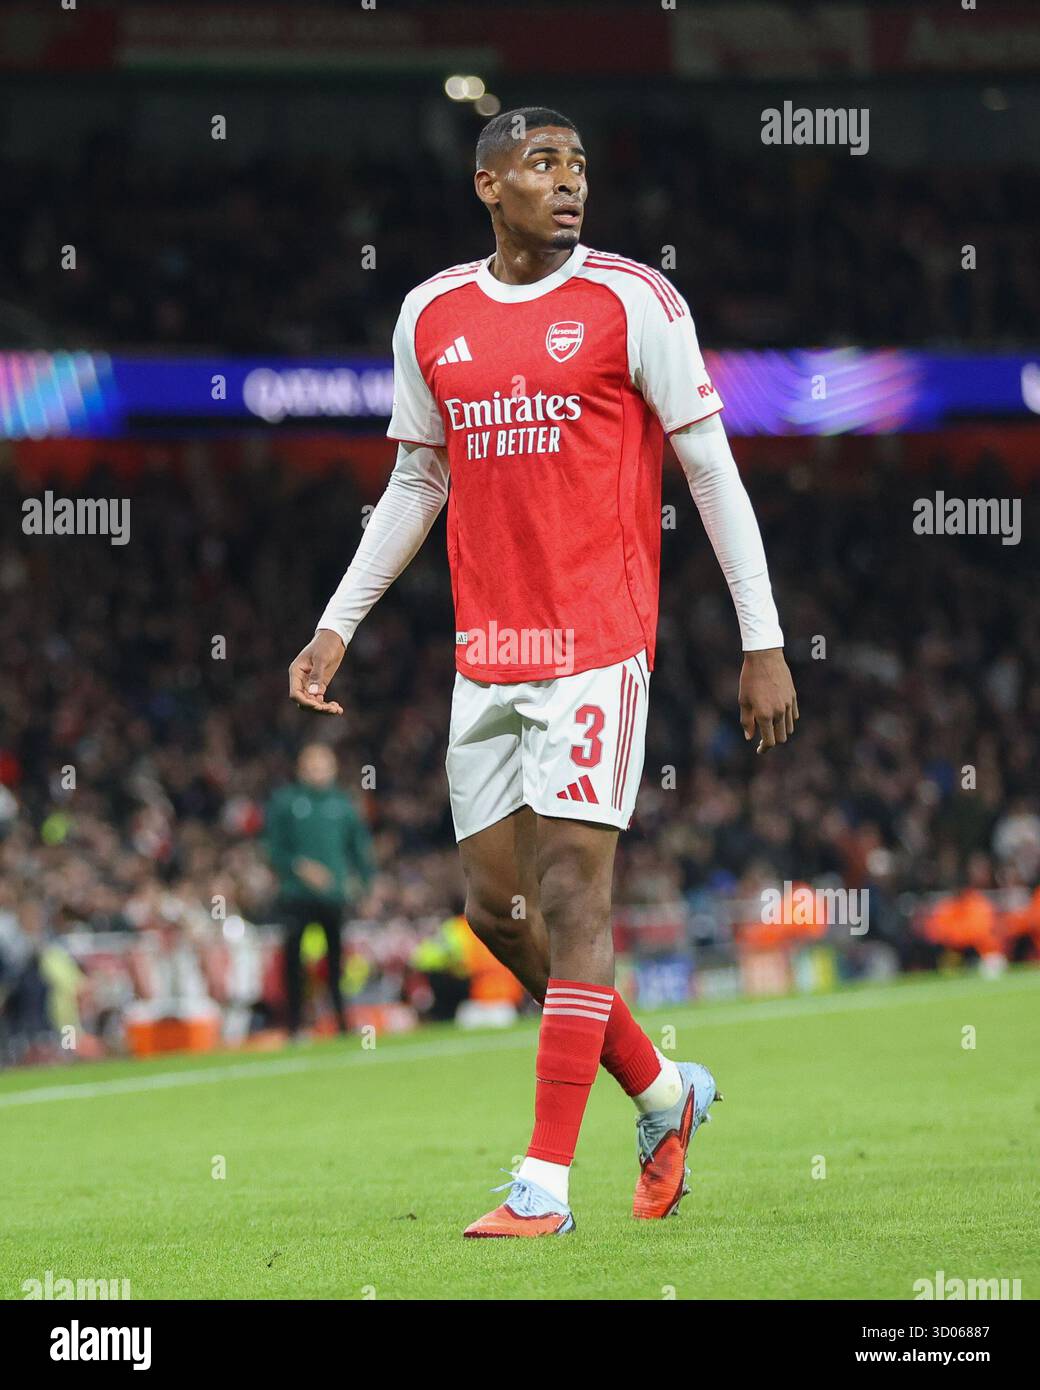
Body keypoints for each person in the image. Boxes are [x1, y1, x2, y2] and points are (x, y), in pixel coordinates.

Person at [288, 107, 798, 1235]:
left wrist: (761, 637)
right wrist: (339, 622)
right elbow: (418, 481)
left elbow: (708, 469)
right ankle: (665, 1091)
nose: (567, 185)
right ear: (487, 186)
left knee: (572, 895)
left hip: (597, 643)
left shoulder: (633, 300)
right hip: (490, 652)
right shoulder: (431, 313)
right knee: (496, 912)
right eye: (540, 166)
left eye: (577, 167)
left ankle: (542, 1186)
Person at [265, 744, 373, 1037]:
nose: (317, 771)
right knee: (293, 959)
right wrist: (300, 866)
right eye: (312, 765)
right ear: (301, 768)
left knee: (336, 960)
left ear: (333, 768)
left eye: (323, 765)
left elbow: (360, 849)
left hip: (333, 897)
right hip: (296, 896)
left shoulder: (343, 804)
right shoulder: (286, 802)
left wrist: (365, 886)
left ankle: (340, 1021)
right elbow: (273, 848)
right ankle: (295, 1025)